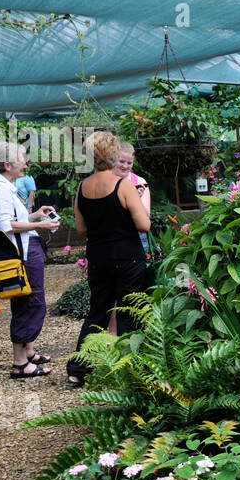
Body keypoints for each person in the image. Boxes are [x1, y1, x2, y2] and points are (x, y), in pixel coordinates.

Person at [66, 131, 151, 386]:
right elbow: (144, 225)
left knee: (98, 311)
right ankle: (130, 369)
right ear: (113, 155)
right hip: (127, 257)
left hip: (99, 257)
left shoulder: (82, 187)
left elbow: (81, 230)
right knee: (128, 312)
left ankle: (78, 369)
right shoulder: (122, 185)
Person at [0, 141, 59, 378]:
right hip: (20, 255)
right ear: (8, 164)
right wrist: (40, 224)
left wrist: (36, 214)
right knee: (31, 303)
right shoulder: (1, 188)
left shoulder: (4, 185)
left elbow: (12, 217)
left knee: (26, 302)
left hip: (23, 251)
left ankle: (27, 352)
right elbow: (6, 225)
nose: (26, 163)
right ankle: (19, 363)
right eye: (22, 159)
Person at [108, 141, 153, 335]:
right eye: (121, 162)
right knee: (113, 295)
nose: (125, 167)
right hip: (112, 242)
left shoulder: (139, 181)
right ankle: (111, 335)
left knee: (135, 292)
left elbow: (145, 218)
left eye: (129, 163)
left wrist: (135, 198)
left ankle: (135, 335)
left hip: (137, 242)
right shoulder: (106, 182)